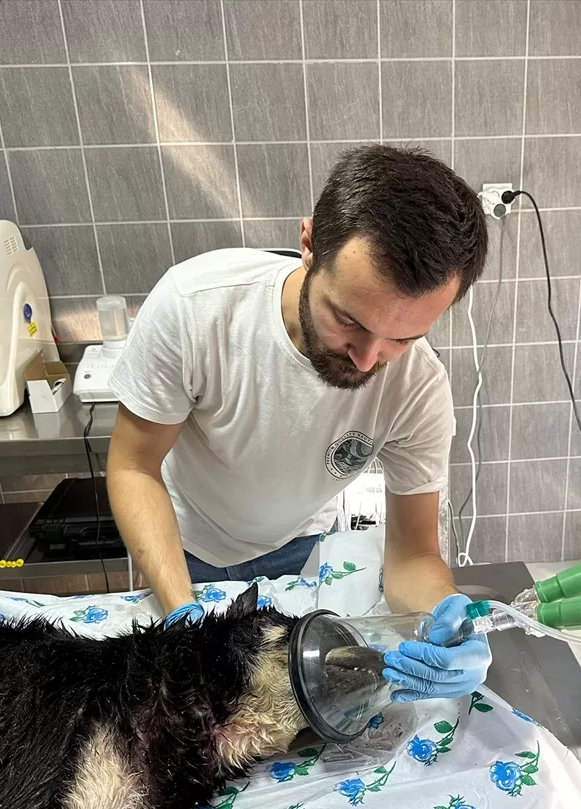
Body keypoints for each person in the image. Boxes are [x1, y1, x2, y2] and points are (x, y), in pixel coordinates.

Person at [105, 145, 491, 702]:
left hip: (303, 550)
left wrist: (446, 622)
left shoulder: (418, 389)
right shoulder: (196, 309)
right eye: (348, 321)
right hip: (185, 547)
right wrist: (183, 610)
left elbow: (412, 555)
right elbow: (134, 467)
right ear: (309, 246)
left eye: (403, 337)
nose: (367, 360)